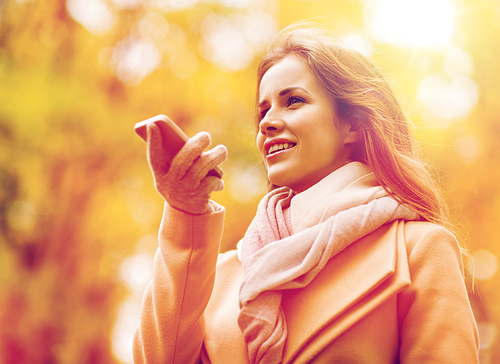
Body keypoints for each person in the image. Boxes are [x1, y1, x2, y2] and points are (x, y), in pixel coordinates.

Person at [133, 23, 479, 364]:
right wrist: (186, 215)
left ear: (353, 126)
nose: (267, 122)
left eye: (293, 101)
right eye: (263, 110)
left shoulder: (417, 249)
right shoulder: (221, 275)